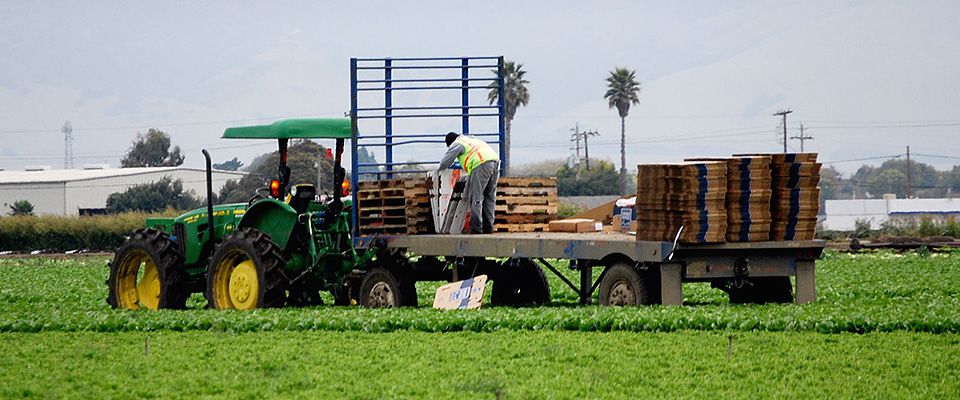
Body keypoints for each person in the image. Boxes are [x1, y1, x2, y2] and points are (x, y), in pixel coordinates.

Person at [437, 132, 500, 234]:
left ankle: (476, 229)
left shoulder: (457, 143)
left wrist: (438, 171)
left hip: (481, 164)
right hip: (495, 162)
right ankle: (488, 228)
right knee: (489, 197)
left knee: (476, 197)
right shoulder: (471, 139)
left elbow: (445, 162)